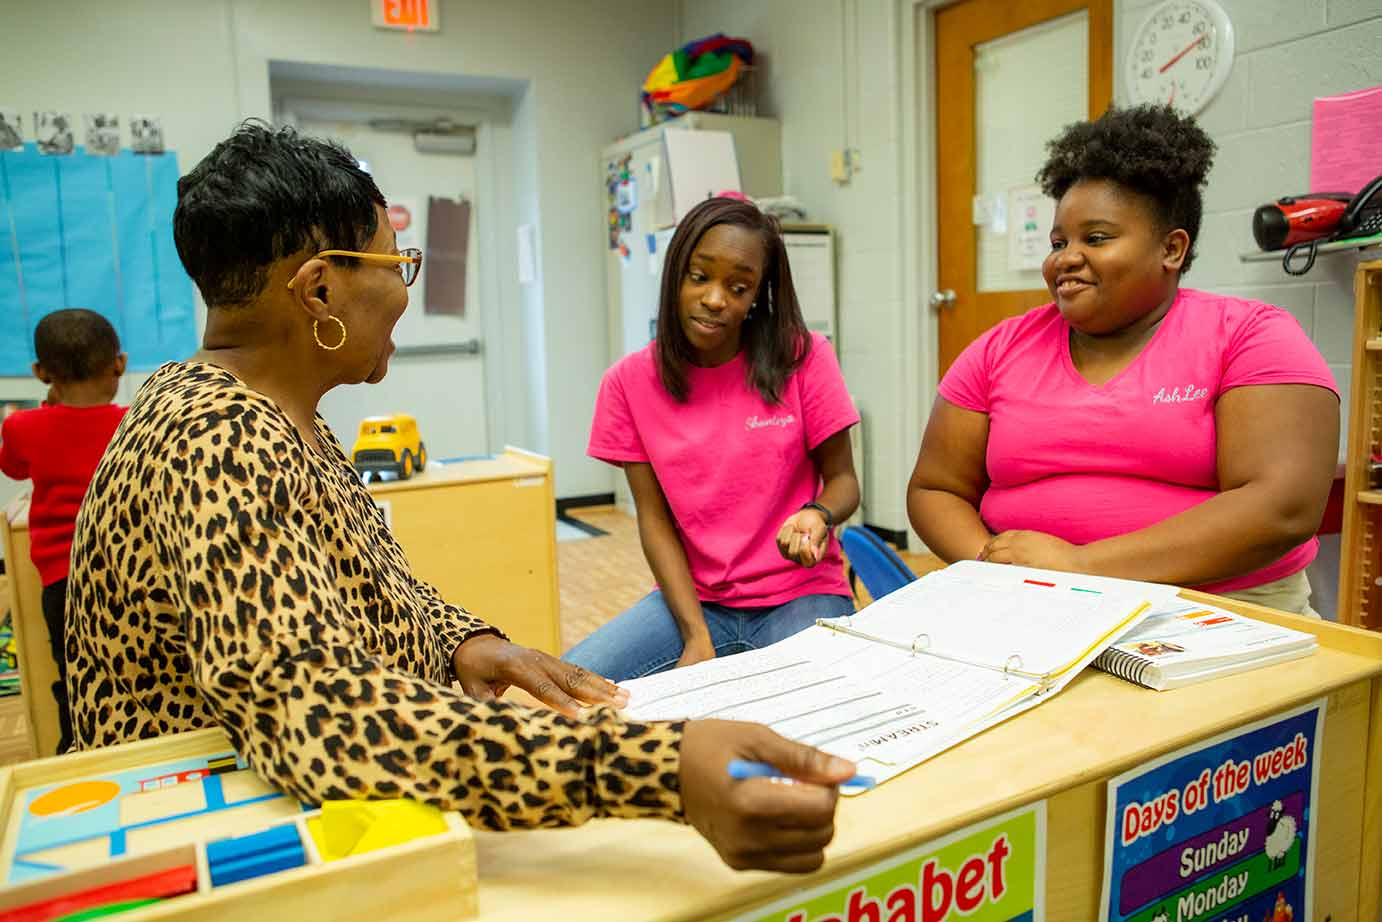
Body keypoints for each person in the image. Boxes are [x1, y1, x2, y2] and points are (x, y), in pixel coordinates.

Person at [64, 122, 855, 874]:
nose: (405, 290)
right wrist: (659, 768)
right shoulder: (216, 440)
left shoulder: (279, 419)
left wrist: (461, 642)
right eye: (393, 264)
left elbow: (372, 585)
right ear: (318, 292)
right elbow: (327, 723)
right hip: (220, 842)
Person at [907, 104, 1339, 614]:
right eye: (1058, 242)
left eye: (1096, 238)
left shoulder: (1250, 336)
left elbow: (1281, 509)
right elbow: (936, 488)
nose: (1065, 258)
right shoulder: (999, 349)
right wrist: (997, 564)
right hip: (1025, 602)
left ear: (1172, 249)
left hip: (1218, 608)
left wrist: (1082, 568)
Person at [563, 197, 860, 682]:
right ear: (676, 275)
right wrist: (696, 635)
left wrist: (817, 514)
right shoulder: (627, 382)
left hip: (802, 593)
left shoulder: (804, 356)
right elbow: (654, 522)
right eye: (700, 278)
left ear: (758, 295)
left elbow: (844, 482)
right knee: (576, 684)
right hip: (697, 602)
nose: (716, 299)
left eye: (738, 287)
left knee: (817, 703)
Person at [0, 309, 127, 755]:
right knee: (134, 665)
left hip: (63, 580)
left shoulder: (21, 427)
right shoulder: (132, 423)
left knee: (73, 672)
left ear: (39, 372)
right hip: (128, 572)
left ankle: (76, 752)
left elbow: (12, 466)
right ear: (119, 365)